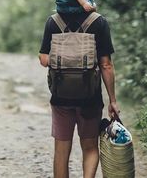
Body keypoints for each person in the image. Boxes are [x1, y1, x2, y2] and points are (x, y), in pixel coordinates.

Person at [39, 10, 120, 178]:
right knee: (90, 148)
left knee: (61, 152)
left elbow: (43, 59)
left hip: (60, 97)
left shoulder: (53, 22)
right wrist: (113, 100)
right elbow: (106, 65)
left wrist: (65, 59)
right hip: (90, 98)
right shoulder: (99, 22)